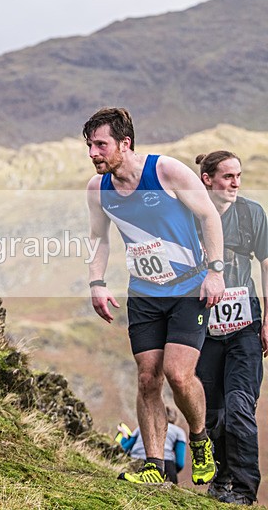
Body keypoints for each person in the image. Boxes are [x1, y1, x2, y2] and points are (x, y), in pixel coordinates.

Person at [83, 107, 225, 485]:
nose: (93, 153)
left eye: (101, 145)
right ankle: (154, 467)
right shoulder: (98, 189)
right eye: (89, 146)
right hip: (145, 294)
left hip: (188, 288)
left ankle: (199, 438)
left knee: (178, 374)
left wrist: (215, 271)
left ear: (124, 143)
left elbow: (210, 216)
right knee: (148, 378)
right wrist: (96, 281)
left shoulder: (166, 172)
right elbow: (99, 238)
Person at [195, 151, 268, 505]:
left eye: (238, 176)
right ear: (207, 179)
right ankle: (221, 480)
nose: (235, 183)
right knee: (212, 411)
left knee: (240, 403)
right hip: (201, 330)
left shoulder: (251, 214)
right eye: (227, 176)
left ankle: (242, 488)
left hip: (245, 327)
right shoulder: (189, 215)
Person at [115, 406, 187, 484]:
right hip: (166, 466)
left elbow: (124, 448)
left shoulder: (142, 427)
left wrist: (124, 435)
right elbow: (180, 463)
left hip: (135, 461)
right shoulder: (179, 432)